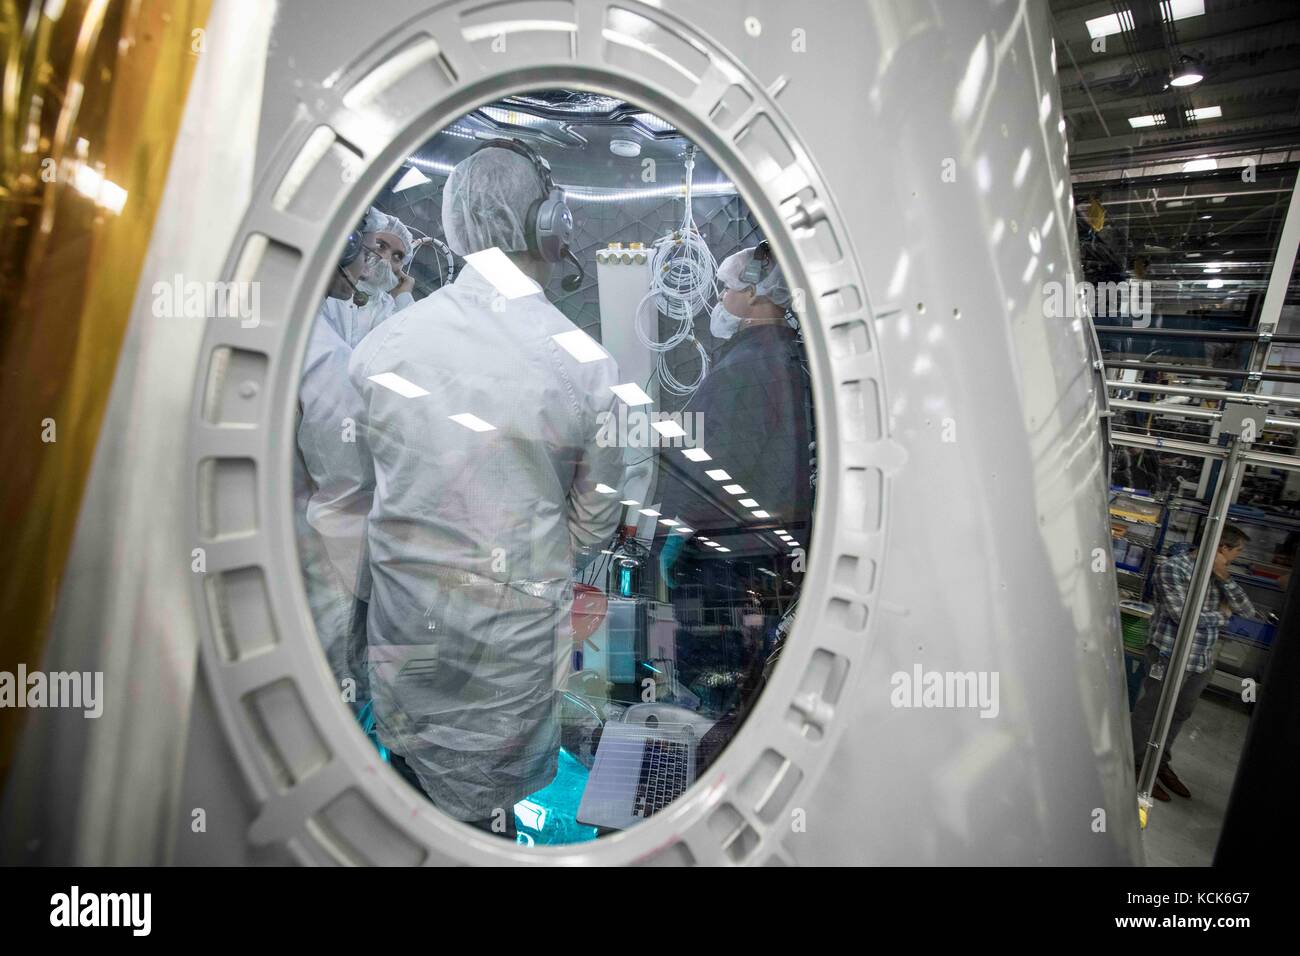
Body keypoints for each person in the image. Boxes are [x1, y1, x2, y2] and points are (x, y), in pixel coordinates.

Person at [349, 146, 625, 835]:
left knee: (416, 805)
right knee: (490, 821)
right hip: (513, 656)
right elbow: (594, 527)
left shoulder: (381, 349)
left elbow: (354, 502)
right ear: (548, 221)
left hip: (407, 640)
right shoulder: (588, 370)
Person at [294, 207, 418, 705]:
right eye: (377, 248)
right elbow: (341, 449)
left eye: (397, 256)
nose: (384, 260)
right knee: (332, 650)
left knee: (344, 649)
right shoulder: (321, 325)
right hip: (329, 513)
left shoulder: (376, 312)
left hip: (339, 513)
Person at [1130, 524, 1259, 801]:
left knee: (1180, 712)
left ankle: (1159, 761)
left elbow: (1247, 611)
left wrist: (1224, 578)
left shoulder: (1220, 575)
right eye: (1237, 551)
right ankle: (1136, 763)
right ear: (1222, 548)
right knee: (1151, 710)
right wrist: (1222, 617)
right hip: (1169, 652)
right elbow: (1182, 615)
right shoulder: (1173, 569)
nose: (1237, 557)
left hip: (1201, 658)